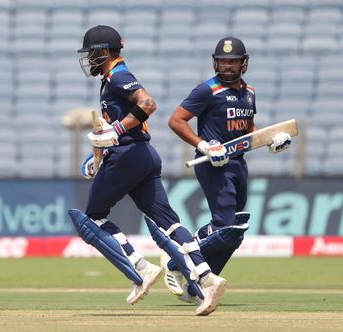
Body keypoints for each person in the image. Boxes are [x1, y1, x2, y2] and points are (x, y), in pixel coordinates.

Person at [70, 25, 227, 316]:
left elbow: (147, 103)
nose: (89, 59)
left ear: (103, 52)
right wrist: (99, 154)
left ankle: (140, 269)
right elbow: (115, 127)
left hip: (128, 156)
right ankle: (208, 279)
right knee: (169, 224)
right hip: (143, 155)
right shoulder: (110, 80)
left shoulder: (119, 76)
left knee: (93, 218)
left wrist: (116, 131)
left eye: (91, 53)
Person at [162, 37, 292, 303]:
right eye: (223, 61)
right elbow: (176, 121)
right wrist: (205, 146)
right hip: (213, 164)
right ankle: (177, 260)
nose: (227, 66)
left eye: (233, 61)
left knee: (236, 231)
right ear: (215, 62)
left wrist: (271, 140)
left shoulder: (249, 93)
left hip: (237, 164)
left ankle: (201, 283)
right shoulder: (206, 90)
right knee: (225, 225)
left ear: (243, 64)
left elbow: (248, 130)